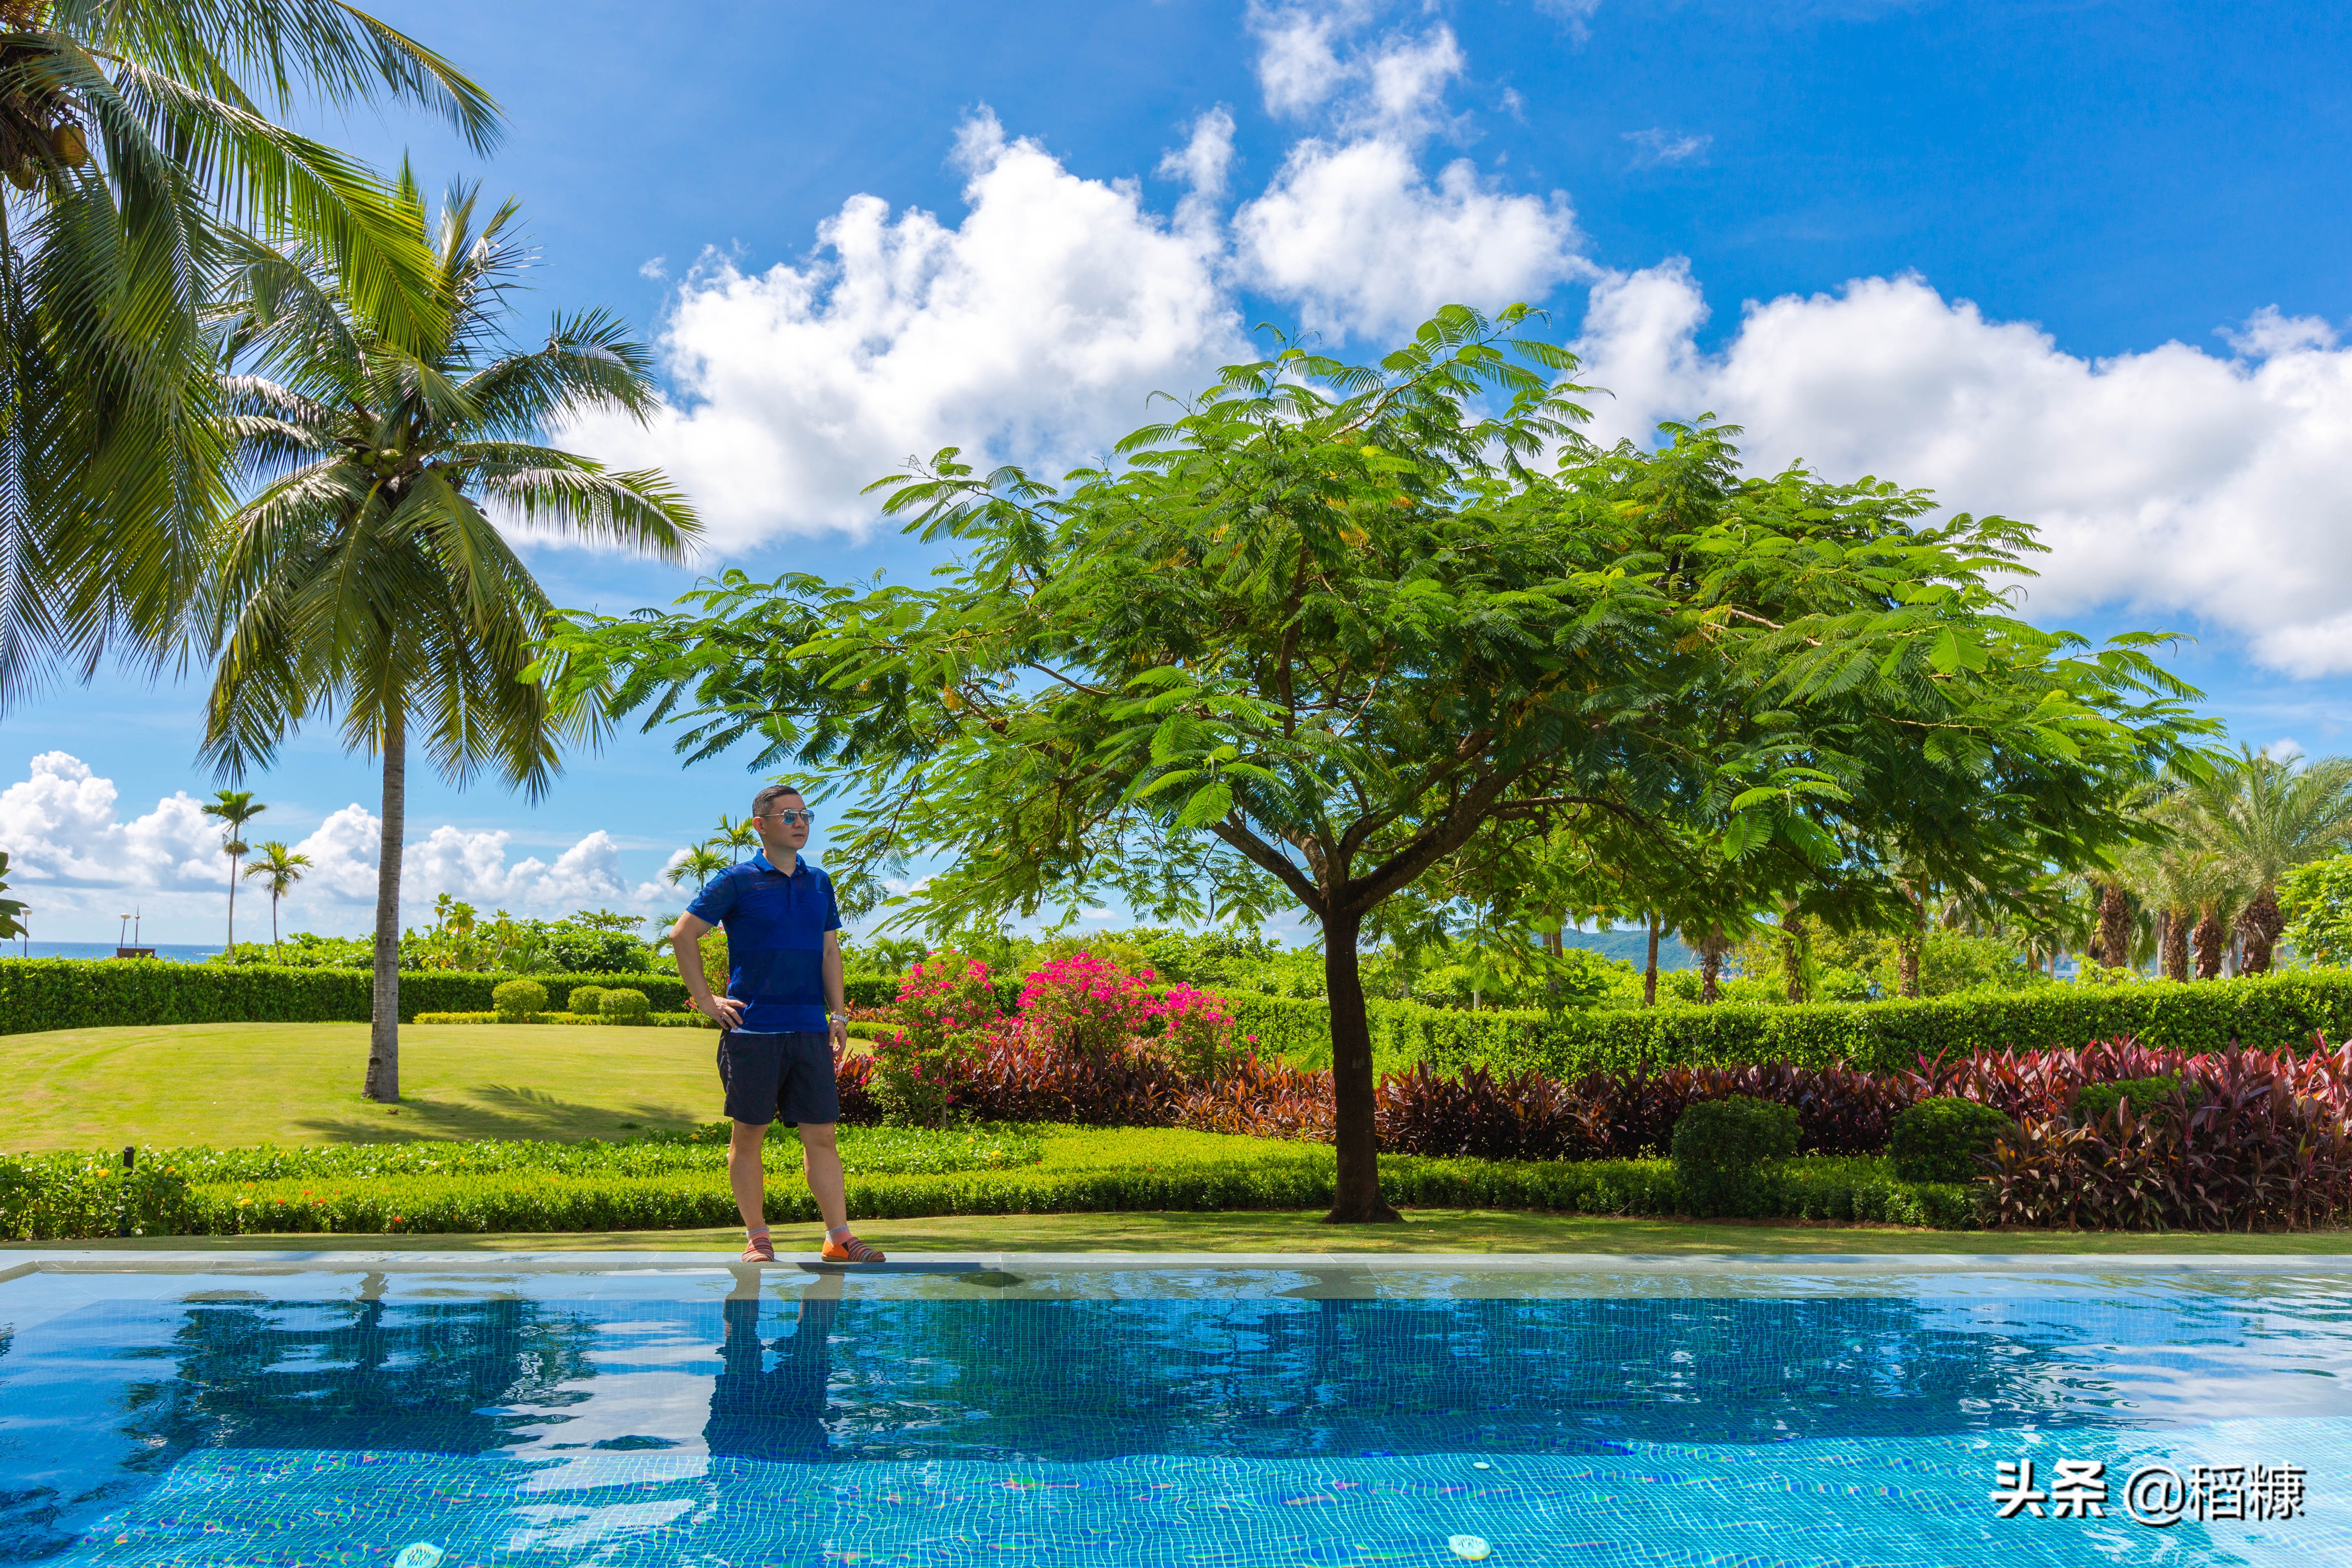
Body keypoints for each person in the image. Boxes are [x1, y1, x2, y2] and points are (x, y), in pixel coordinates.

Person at [671, 784, 884, 1264]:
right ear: (760, 825)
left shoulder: (819, 883)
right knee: (749, 1136)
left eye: (806, 814)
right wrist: (706, 1000)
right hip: (753, 1032)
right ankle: (758, 1237)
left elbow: (830, 950)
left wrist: (839, 1012)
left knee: (823, 1136)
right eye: (789, 815)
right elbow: (683, 934)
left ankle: (838, 1238)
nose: (800, 822)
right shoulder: (737, 880)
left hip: (808, 1029)